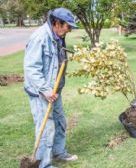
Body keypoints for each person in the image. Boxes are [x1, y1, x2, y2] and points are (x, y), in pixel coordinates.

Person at [24, 8, 78, 168]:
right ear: (56, 23)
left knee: (60, 122)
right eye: (68, 26)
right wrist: (45, 90)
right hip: (41, 92)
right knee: (46, 127)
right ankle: (44, 164)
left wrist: (54, 89)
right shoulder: (40, 37)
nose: (69, 30)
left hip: (54, 91)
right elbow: (31, 68)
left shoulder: (58, 36)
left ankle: (59, 152)